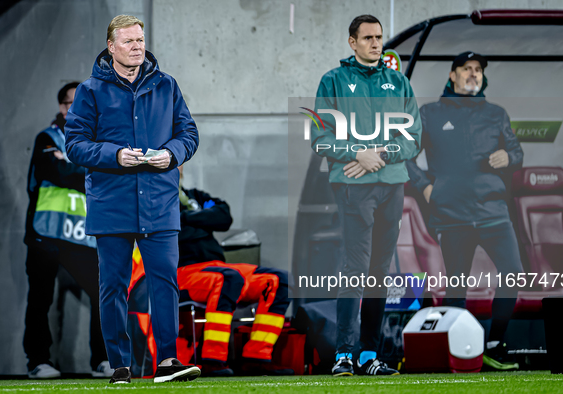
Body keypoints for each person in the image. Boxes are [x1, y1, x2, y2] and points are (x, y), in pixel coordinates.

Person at [65, 15, 199, 384]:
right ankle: (119, 366)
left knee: (165, 284)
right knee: (112, 287)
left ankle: (169, 361)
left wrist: (172, 154)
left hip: (159, 203)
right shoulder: (90, 91)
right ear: (111, 47)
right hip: (113, 204)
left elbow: (188, 132)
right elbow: (74, 144)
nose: (137, 46)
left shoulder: (166, 85)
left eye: (140, 40)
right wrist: (115, 156)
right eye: (128, 42)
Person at [311, 15, 422, 376]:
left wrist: (381, 155)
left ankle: (368, 356)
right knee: (355, 268)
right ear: (352, 42)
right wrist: (358, 154)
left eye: (379, 38)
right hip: (353, 185)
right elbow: (320, 137)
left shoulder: (399, 82)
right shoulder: (333, 81)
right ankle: (344, 354)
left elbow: (414, 136)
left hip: (392, 183)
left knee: (379, 272)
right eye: (368, 38)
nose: (376, 44)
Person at [405, 51, 524, 370]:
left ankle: (495, 345)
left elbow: (515, 151)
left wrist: (508, 158)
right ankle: (453, 353)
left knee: (513, 273)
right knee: (457, 284)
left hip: (493, 212)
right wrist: (427, 188)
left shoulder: (496, 114)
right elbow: (405, 156)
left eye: (478, 70)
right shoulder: (429, 113)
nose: (473, 74)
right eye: (466, 69)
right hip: (452, 214)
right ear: (453, 75)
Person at [23, 82, 113, 379]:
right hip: (46, 234)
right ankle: (38, 361)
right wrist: (92, 169)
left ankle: (101, 360)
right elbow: (60, 172)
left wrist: (81, 166)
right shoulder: (47, 138)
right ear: (62, 107)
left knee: (103, 293)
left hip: (80, 235)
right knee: (41, 298)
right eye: (71, 103)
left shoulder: (94, 142)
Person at [175, 166, 291, 376]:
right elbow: (179, 224)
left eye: (180, 162)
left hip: (218, 269)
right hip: (183, 273)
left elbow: (223, 216)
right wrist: (201, 218)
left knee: (278, 280)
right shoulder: (155, 201)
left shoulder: (196, 196)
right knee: (229, 279)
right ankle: (212, 359)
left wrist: (187, 217)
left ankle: (257, 356)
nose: (178, 166)